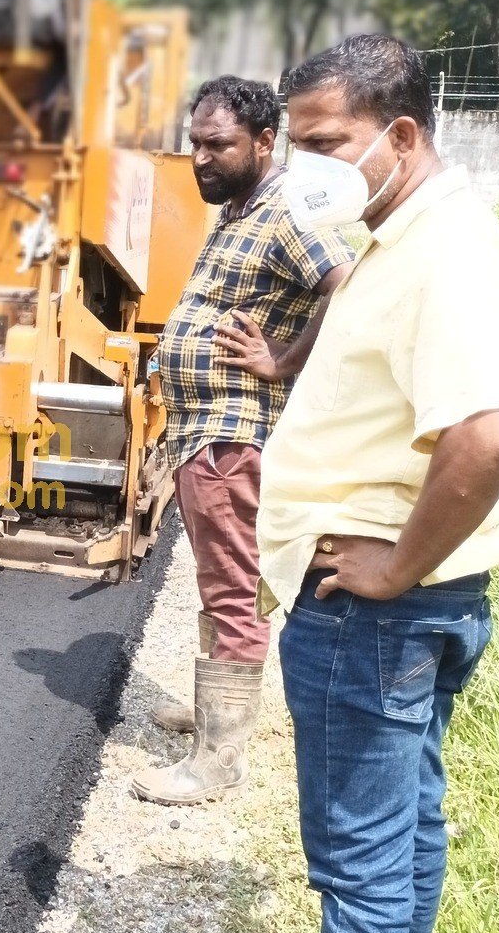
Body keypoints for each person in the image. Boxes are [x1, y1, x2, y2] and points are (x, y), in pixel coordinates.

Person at [177, 34, 499, 933]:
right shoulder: (405, 236)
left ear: (402, 133)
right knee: (404, 828)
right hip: (383, 600)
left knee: (360, 850)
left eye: (327, 141)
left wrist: (394, 564)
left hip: (374, 603)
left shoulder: (451, 249)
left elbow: (493, 430)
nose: (310, 160)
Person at [135, 76, 352, 808]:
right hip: (207, 433)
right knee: (217, 576)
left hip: (237, 433)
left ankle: (217, 762)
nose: (200, 157)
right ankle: (211, 711)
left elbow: (345, 283)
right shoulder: (240, 207)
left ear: (266, 141)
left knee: (234, 587)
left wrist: (283, 359)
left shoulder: (288, 207)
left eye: (218, 144)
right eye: (195, 142)